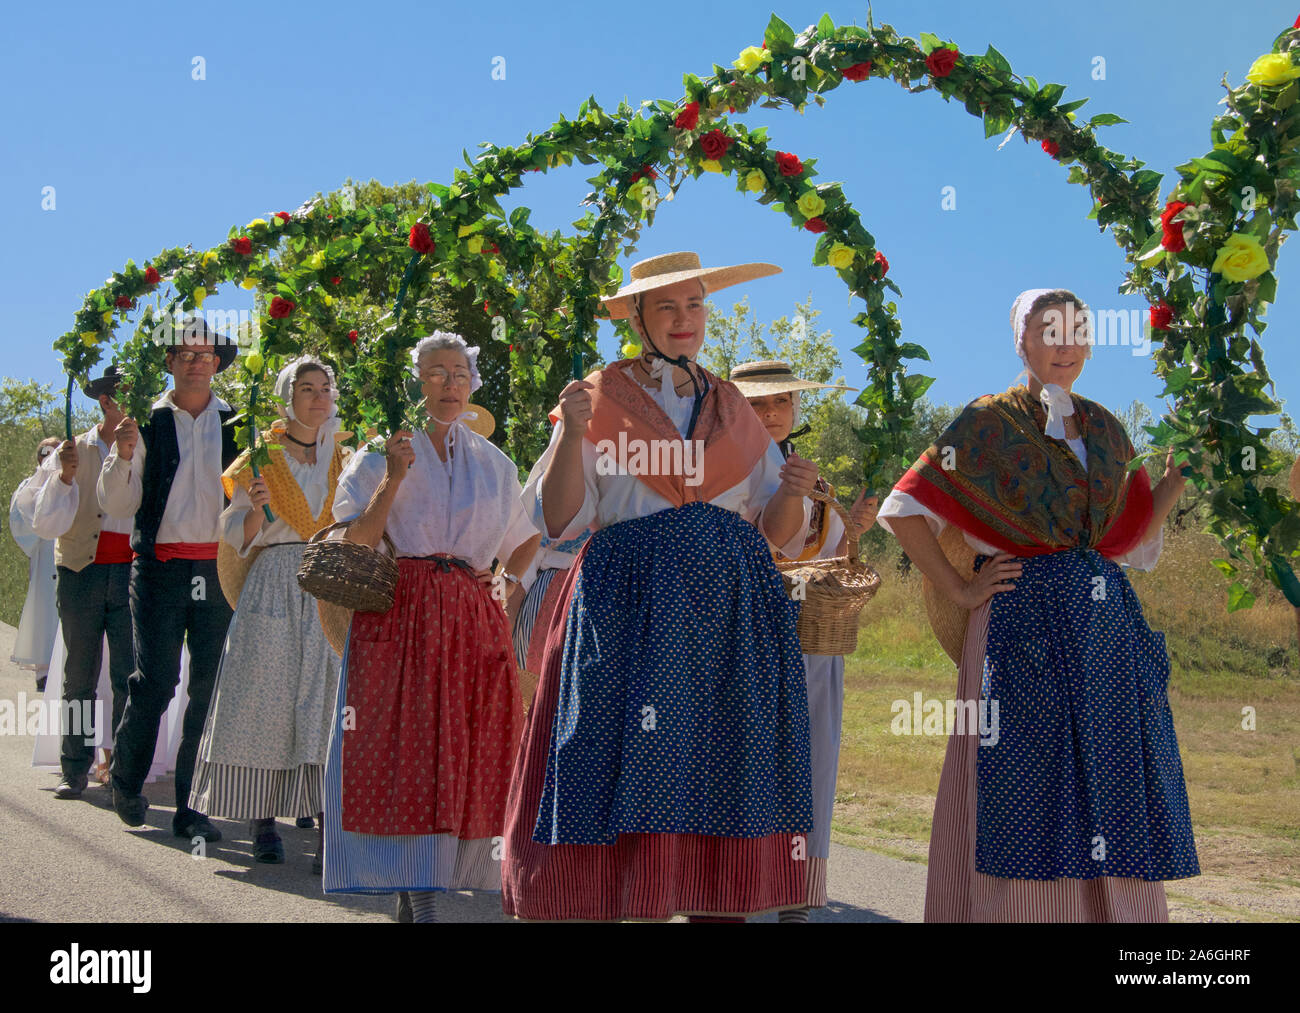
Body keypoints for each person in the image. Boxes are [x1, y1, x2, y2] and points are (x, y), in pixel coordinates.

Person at [501, 252, 819, 922]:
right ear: (637, 318)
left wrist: (790, 492)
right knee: (629, 757)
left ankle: (715, 902)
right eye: (667, 306)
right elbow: (558, 518)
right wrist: (574, 434)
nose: (684, 320)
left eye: (695, 304)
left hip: (731, 612)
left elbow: (776, 531)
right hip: (629, 609)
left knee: (720, 762)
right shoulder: (598, 398)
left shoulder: (733, 406)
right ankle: (628, 900)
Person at [877, 287, 1199, 922]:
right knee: (1022, 784)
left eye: (1078, 332)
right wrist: (960, 588)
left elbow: (1127, 535)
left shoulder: (1106, 429)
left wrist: (1175, 478)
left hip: (1105, 633)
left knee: (1110, 780)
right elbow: (902, 508)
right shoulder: (987, 422)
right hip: (1019, 625)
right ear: (1020, 338)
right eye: (1049, 332)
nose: (1065, 346)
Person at [322, 331, 540, 923]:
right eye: (437, 372)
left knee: (466, 749)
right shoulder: (376, 454)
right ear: (415, 382)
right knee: (405, 749)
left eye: (459, 372)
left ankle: (433, 885)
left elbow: (525, 542)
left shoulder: (494, 464)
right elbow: (355, 542)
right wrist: (393, 476)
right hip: (401, 610)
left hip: (472, 616)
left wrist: (498, 590)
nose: (450, 383)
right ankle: (414, 891)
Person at [731, 360, 878, 921]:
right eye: (759, 403)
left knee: (814, 754)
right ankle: (738, 887)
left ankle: (797, 891)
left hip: (811, 630)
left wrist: (855, 527)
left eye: (781, 402)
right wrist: (792, 495)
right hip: (753, 628)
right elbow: (770, 536)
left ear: (795, 408)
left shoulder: (805, 471)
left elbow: (826, 555)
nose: (771, 413)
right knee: (749, 756)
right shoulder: (726, 462)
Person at [189, 357, 347, 870]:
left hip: (329, 585)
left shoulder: (346, 457)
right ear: (288, 397)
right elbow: (236, 535)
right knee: (265, 696)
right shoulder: (258, 458)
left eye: (325, 388)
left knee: (327, 703)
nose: (319, 397)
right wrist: (255, 506)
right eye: (307, 388)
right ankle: (261, 823)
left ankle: (328, 826)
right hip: (276, 583)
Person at [98, 316, 240, 842]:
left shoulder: (238, 423)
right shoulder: (147, 423)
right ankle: (127, 779)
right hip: (159, 568)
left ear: (217, 362)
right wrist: (126, 452)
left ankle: (191, 806)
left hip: (217, 569)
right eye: (185, 353)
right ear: (170, 362)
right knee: (156, 680)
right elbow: (116, 503)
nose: (196, 361)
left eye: (205, 354)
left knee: (207, 689)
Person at [26, 367, 136, 799]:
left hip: (132, 572)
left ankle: (124, 771)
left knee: (130, 675)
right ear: (106, 401)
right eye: (122, 394)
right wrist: (65, 477)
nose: (129, 402)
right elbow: (44, 522)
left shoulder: (144, 445)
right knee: (79, 676)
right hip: (80, 571)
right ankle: (75, 768)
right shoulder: (75, 449)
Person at [9, 438, 61, 692]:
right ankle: (44, 670)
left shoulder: (73, 483)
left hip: (69, 558)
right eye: (45, 451)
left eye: (57, 450)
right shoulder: (26, 488)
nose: (50, 456)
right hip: (43, 558)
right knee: (44, 613)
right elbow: (20, 521)